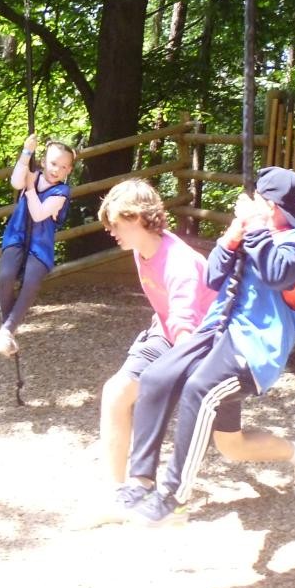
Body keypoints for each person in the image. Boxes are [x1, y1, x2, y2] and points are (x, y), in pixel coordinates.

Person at [121, 167, 295, 525]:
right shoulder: (254, 234)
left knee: (199, 391)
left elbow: (277, 274)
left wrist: (255, 227)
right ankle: (140, 481)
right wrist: (231, 238)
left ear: (268, 207)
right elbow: (213, 276)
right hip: (216, 334)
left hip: (251, 350)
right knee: (157, 379)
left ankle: (173, 498)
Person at [96, 179, 216, 512]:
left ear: (137, 218)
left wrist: (174, 374)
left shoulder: (179, 263)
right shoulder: (142, 250)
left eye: (115, 224)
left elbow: (185, 325)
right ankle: (121, 492)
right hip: (165, 334)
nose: (111, 232)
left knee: (233, 444)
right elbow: (168, 317)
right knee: (116, 392)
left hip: (201, 345)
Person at [0, 134, 75, 357]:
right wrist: (26, 153)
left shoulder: (62, 193)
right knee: (5, 276)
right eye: (53, 163)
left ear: (68, 171)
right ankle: (7, 330)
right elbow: (16, 182)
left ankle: (7, 330)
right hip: (17, 235)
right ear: (44, 161)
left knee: (31, 282)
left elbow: (38, 214)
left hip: (40, 245)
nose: (56, 170)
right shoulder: (33, 175)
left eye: (63, 167)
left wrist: (30, 190)